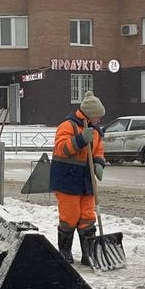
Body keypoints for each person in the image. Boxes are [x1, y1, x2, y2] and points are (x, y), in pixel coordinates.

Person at [49, 90, 107, 267]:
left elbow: (98, 150)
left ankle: (88, 253)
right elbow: (61, 149)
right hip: (67, 179)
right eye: (97, 116)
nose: (99, 120)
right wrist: (80, 139)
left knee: (87, 216)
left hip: (86, 180)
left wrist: (99, 163)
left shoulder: (96, 131)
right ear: (89, 115)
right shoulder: (67, 126)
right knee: (70, 216)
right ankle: (64, 251)